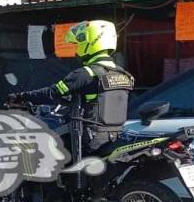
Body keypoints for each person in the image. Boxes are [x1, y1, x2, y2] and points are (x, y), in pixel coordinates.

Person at [12, 20, 134, 155]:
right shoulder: (124, 75)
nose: (76, 49)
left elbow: (52, 93)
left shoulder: (87, 73)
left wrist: (21, 97)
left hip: (88, 140)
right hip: (115, 137)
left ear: (90, 43)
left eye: (78, 44)